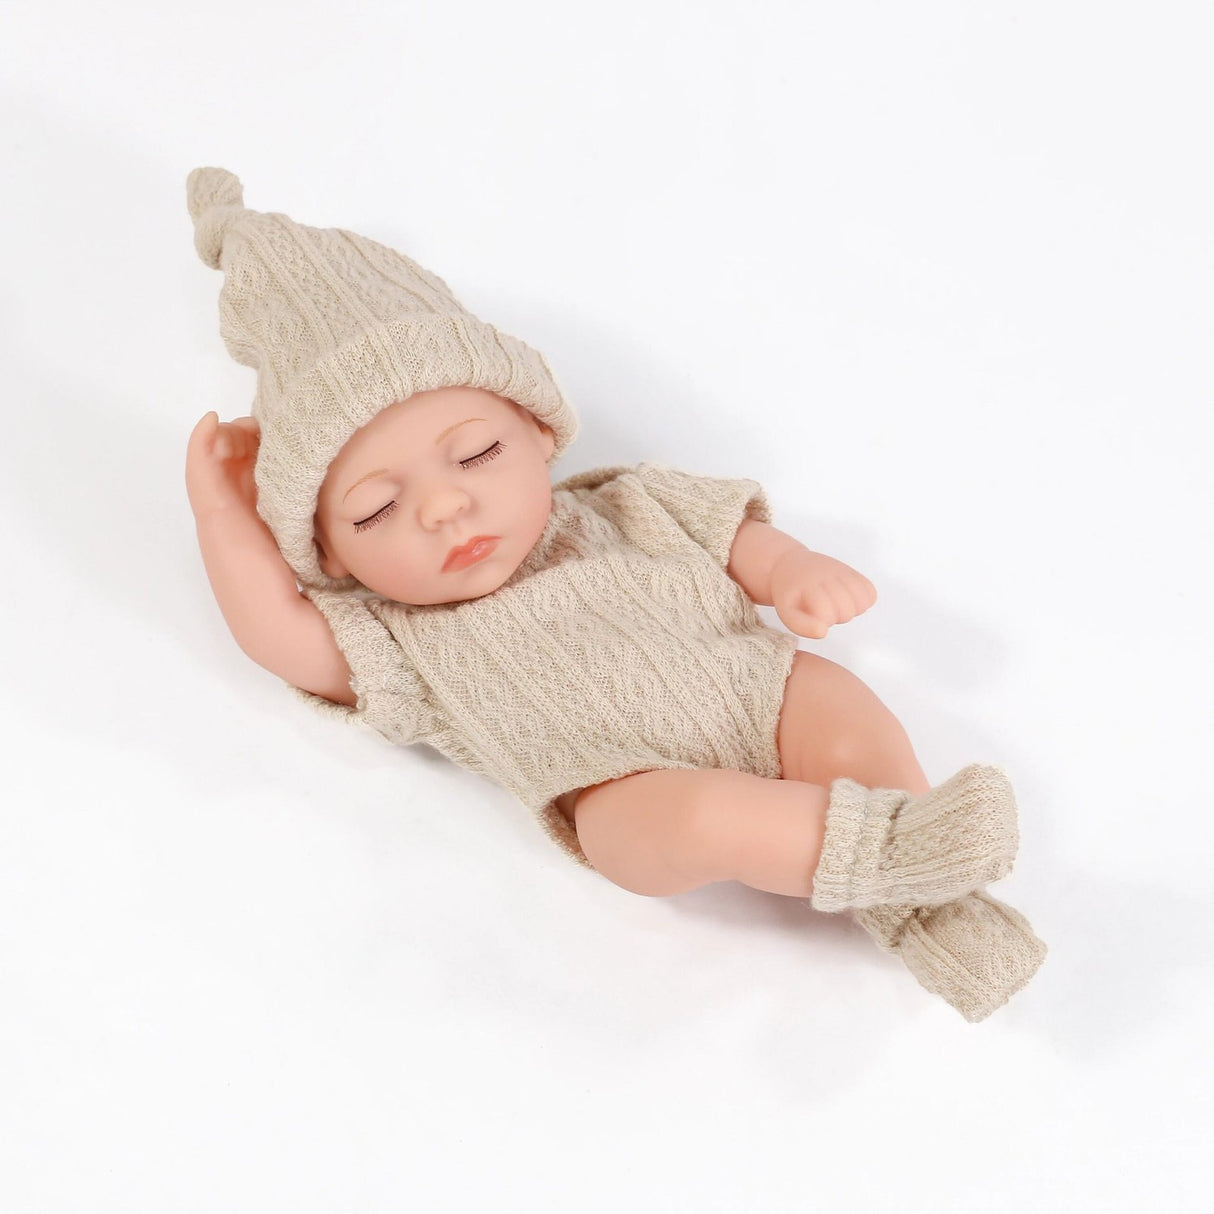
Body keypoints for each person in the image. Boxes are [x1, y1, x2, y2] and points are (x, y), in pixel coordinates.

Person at [184, 167, 1046, 1022]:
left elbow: (732, 537)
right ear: (329, 557)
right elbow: (277, 632)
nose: (446, 506)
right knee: (703, 819)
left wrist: (789, 571)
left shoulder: (624, 502)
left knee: (836, 704)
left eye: (475, 453)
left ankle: (931, 899)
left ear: (537, 429)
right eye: (377, 508)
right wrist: (222, 510)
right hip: (624, 791)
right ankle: (900, 858)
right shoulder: (401, 643)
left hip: (759, 692)